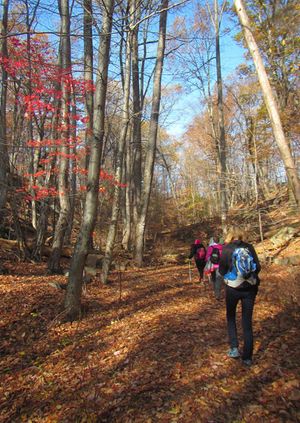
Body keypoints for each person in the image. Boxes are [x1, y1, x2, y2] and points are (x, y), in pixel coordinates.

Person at [218, 228, 261, 366]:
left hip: (232, 288)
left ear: (230, 237)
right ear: (242, 236)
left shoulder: (227, 249)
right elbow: (258, 267)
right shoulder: (249, 247)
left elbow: (221, 270)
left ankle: (234, 348)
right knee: (247, 322)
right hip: (250, 289)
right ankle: (247, 357)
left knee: (231, 317)